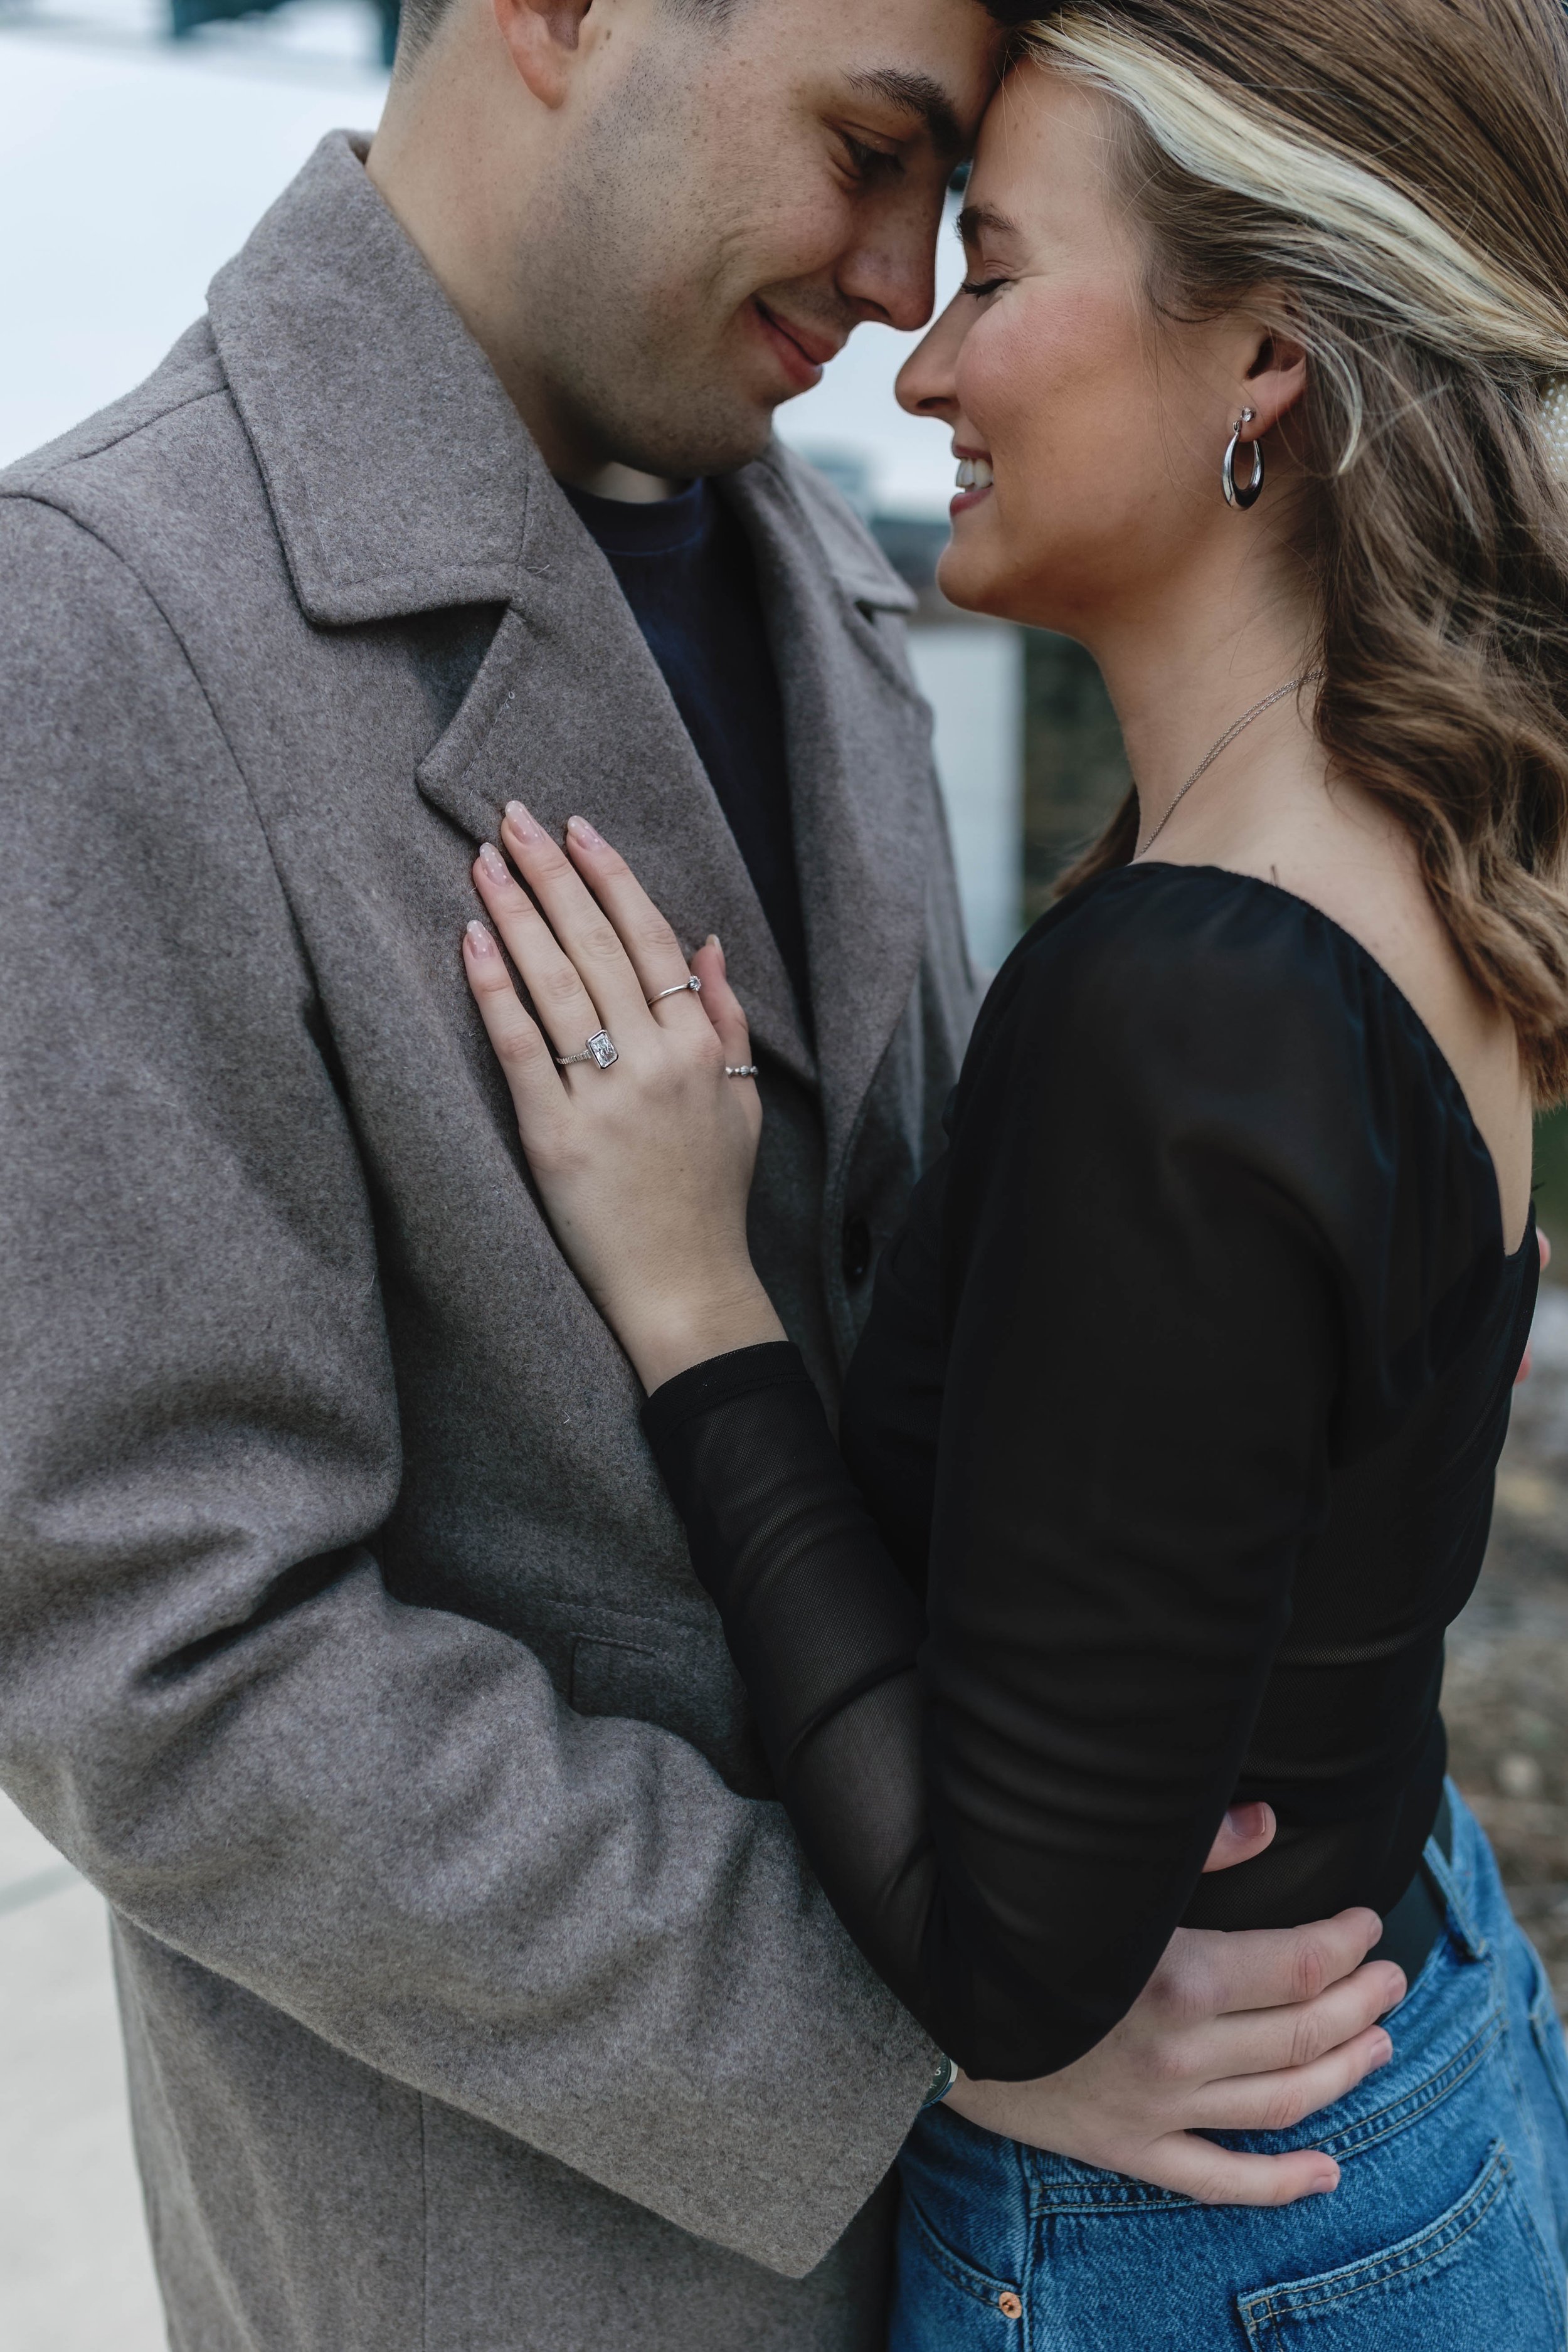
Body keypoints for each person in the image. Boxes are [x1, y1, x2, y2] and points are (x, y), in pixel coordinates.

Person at [0, 2, 1412, 2348]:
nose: (892, 293)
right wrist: (926, 2014)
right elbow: (163, 1659)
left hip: (1037, 2249)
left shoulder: (819, 569)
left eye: (950, 218)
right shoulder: (97, 626)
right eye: (868, 150)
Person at [451, 0, 1568, 2341]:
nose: (916, 369)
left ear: (1262, 354)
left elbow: (1008, 1955)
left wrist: (694, 1305)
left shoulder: (1193, 994)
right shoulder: (1405, 871)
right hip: (1407, 2053)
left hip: (1201, 2249)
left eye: (989, 268)